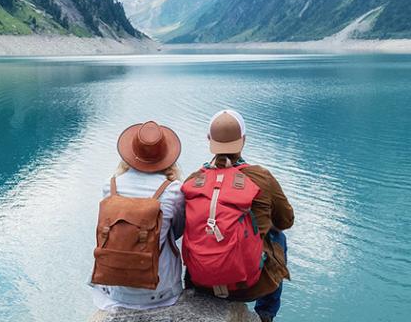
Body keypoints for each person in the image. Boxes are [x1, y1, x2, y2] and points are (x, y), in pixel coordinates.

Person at [184, 110, 294, 322]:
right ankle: (266, 314)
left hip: (201, 283)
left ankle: (192, 292)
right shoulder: (262, 177)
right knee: (278, 235)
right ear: (243, 140)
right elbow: (286, 221)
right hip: (249, 286)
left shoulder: (194, 180)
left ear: (209, 140)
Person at [90, 121, 185, 311]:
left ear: (130, 154)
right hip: (161, 293)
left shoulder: (111, 186)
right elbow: (177, 232)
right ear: (166, 156)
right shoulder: (174, 190)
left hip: (114, 290)